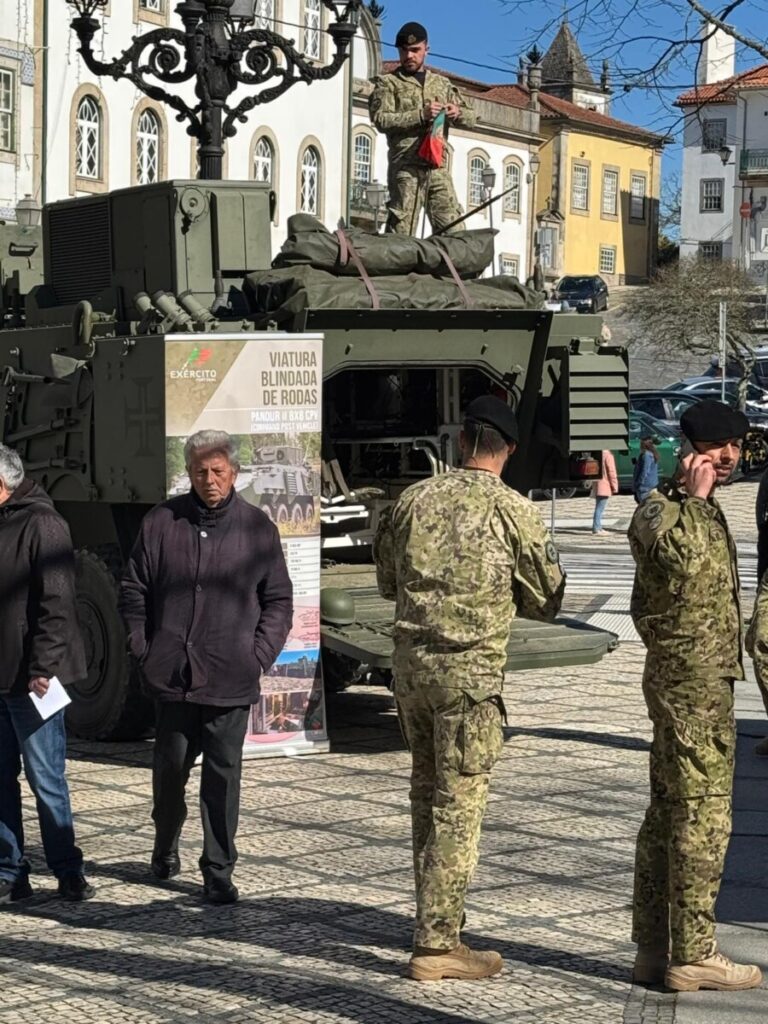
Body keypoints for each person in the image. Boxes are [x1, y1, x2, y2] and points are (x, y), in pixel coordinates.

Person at [373, 396, 565, 981]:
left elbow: (386, 581)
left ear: (460, 442)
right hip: (470, 681)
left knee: (425, 794)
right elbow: (548, 594)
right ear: (507, 450)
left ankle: (433, 920)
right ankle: (436, 944)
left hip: (411, 674)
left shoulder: (413, 500)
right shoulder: (515, 511)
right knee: (459, 806)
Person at [120, 429, 293, 904]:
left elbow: (278, 600)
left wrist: (258, 654)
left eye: (218, 471)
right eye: (200, 471)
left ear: (234, 472)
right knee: (170, 772)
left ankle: (218, 868)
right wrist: (143, 646)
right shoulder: (161, 522)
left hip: (229, 679)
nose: (209, 480)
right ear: (189, 472)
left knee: (223, 778)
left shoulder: (258, 528)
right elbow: (133, 589)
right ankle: (165, 842)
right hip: (172, 677)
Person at [628, 400, 762, 992]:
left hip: (703, 683)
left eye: (736, 447)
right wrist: (697, 498)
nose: (730, 457)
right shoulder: (660, 512)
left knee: (670, 813)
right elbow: (672, 566)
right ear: (691, 450)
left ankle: (657, 949)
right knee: (702, 817)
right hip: (690, 687)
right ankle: (696, 952)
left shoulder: (702, 515)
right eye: (719, 448)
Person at [0, 444, 95, 905]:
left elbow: (57, 604)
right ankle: (9, 870)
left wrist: (43, 667)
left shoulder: (43, 523)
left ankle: (66, 869)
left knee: (45, 779)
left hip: (31, 680)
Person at [369, 21, 476, 235]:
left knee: (452, 227)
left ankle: (451, 267)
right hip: (406, 166)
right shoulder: (388, 84)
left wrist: (457, 112)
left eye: (415, 50)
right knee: (402, 229)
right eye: (404, 51)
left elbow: (472, 118)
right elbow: (381, 119)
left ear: (426, 49)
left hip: (436, 165)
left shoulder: (441, 84)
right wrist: (420, 115)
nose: (409, 56)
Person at [592, 449, 618, 534]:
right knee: (600, 508)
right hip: (605, 485)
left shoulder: (597, 454)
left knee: (598, 507)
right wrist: (614, 486)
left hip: (597, 483)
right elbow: (611, 472)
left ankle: (598, 527)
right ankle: (597, 527)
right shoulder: (608, 456)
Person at [633, 436, 660, 504]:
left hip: (645, 486)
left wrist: (638, 483)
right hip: (652, 484)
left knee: (643, 506)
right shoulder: (653, 454)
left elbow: (644, 471)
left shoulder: (646, 455)